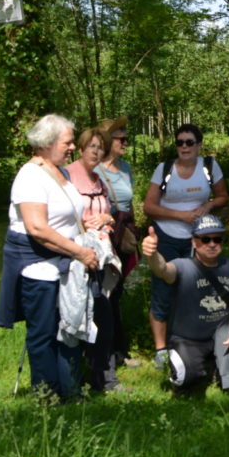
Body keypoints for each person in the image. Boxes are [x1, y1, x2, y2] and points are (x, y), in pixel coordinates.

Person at [0, 114, 100, 401]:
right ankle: (47, 397)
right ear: (46, 143)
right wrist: (79, 251)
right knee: (43, 335)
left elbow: (66, 216)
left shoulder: (62, 172)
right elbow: (38, 228)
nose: (71, 148)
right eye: (67, 142)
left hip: (65, 267)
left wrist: (89, 228)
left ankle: (71, 391)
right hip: (39, 270)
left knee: (69, 330)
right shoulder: (29, 177)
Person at [142, 124, 228, 369]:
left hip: (199, 239)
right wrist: (179, 216)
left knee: (196, 290)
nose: (184, 147)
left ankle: (192, 342)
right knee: (163, 289)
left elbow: (223, 196)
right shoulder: (165, 169)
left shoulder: (209, 167)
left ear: (199, 145)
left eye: (190, 142)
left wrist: (208, 206)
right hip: (166, 236)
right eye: (180, 142)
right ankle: (161, 350)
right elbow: (148, 206)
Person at [141, 215, 229, 393]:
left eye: (217, 239)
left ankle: (224, 366)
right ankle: (210, 366)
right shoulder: (182, 266)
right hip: (189, 340)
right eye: (205, 239)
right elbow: (162, 269)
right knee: (184, 380)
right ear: (194, 242)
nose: (212, 244)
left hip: (223, 334)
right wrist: (153, 254)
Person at [64, 127, 123, 392]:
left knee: (104, 316)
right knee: (78, 317)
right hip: (74, 259)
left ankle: (105, 378)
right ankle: (75, 379)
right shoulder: (66, 176)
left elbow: (110, 215)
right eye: (92, 146)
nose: (97, 151)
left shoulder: (100, 180)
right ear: (80, 148)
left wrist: (106, 219)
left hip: (100, 257)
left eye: (101, 147)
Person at [95, 115, 138, 367]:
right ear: (108, 141)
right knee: (105, 293)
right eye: (121, 137)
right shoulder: (95, 170)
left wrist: (133, 232)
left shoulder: (126, 169)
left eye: (126, 137)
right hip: (104, 236)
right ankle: (107, 352)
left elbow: (129, 204)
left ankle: (118, 350)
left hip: (123, 233)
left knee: (117, 292)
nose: (125, 141)